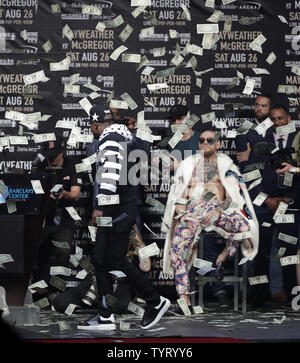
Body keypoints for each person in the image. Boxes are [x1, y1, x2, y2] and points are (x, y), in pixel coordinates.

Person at [77, 104, 170, 331]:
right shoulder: (126, 136)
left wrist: (99, 206)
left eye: (92, 126)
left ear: (95, 124)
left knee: (115, 260)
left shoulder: (109, 139)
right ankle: (105, 315)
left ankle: (155, 301)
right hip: (121, 206)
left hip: (115, 209)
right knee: (100, 259)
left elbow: (109, 175)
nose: (92, 129)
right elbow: (143, 158)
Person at [162, 127, 259, 311]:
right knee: (176, 252)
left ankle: (223, 257)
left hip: (217, 211)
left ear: (218, 144)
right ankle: (184, 301)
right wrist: (181, 211)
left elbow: (234, 196)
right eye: (202, 140)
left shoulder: (226, 165)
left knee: (245, 227)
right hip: (192, 214)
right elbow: (180, 195)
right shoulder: (189, 164)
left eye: (209, 140)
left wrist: (220, 210)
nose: (205, 143)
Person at [248, 104, 300, 307]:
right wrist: (267, 200)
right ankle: (259, 296)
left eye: (281, 118)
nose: (277, 123)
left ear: (288, 119)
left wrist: (289, 200)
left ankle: (289, 295)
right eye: (273, 119)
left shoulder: (297, 142)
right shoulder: (261, 143)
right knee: (260, 252)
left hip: (290, 205)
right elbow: (252, 175)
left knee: (289, 251)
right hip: (265, 206)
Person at [31, 137, 82, 304]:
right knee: (39, 253)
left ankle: (56, 294)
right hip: (44, 216)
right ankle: (37, 293)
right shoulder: (39, 165)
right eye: (48, 156)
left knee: (62, 254)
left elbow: (76, 193)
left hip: (65, 217)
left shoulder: (71, 164)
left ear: (62, 153)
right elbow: (32, 193)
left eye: (54, 156)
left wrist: (63, 194)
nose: (52, 160)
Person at [236, 92, 273, 171]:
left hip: (273, 179)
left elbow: (280, 159)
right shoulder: (242, 129)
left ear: (270, 108)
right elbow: (244, 163)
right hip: (252, 178)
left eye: (264, 106)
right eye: (257, 104)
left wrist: (251, 156)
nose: (259, 108)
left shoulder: (276, 128)